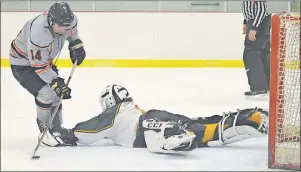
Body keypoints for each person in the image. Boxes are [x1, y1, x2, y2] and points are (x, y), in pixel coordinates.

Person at [64, 84, 269, 154]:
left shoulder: (115, 113)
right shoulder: (132, 108)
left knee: (162, 132)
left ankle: (173, 134)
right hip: (158, 117)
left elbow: (92, 130)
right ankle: (247, 119)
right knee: (203, 130)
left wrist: (70, 134)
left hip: (149, 124)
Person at [9, 2, 85, 147]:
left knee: (57, 94)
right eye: (60, 26)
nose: (64, 29)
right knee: (46, 93)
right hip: (22, 64)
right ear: (51, 21)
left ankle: (56, 128)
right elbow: (39, 66)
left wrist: (76, 44)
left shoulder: (70, 21)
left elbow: (72, 33)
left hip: (43, 61)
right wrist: (56, 82)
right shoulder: (37, 32)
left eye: (66, 25)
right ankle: (44, 130)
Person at [242, 1, 271, 97]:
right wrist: (246, 21)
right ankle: (267, 84)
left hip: (258, 22)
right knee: (262, 54)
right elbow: (251, 8)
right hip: (257, 21)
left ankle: (259, 87)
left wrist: (254, 27)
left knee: (251, 54)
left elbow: (261, 9)